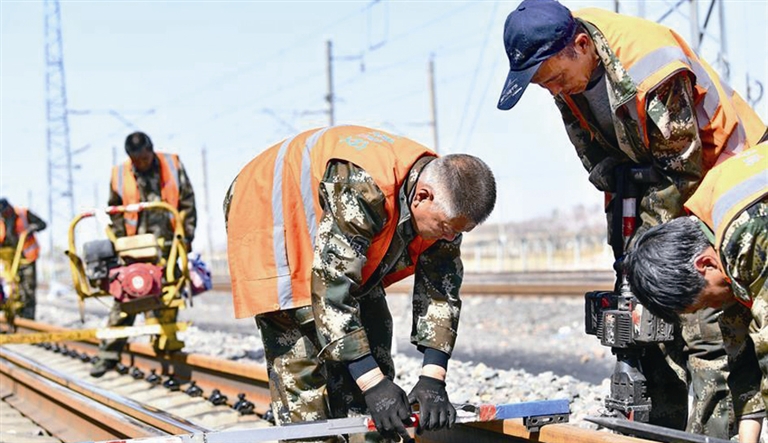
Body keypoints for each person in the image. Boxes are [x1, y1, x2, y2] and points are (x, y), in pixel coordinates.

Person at [495, 0, 767, 439]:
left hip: (719, 179)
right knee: (644, 313)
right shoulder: (564, 70)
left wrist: (644, 248)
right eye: (544, 86)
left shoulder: (648, 68)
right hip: (653, 189)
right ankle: (661, 425)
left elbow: (683, 169)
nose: (554, 92)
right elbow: (599, 161)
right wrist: (627, 256)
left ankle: (716, 431)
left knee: (705, 329)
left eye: (555, 80)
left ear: (581, 46)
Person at [224, 125, 497, 443]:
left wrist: (433, 376)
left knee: (373, 339)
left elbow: (442, 287)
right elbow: (332, 285)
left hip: (333, 240)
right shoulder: (365, 184)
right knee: (303, 370)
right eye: (447, 228)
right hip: (271, 218)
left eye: (459, 232)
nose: (451, 238)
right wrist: (372, 384)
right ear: (422, 197)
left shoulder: (446, 199)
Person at [626, 142, 768, 443]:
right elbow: (743, 359)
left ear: (704, 264)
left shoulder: (746, 238)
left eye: (708, 302)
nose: (718, 305)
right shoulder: (709, 221)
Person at [90, 131, 197, 378]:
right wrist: (119, 244)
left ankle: (167, 350)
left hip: (168, 244)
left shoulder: (172, 165)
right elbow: (115, 211)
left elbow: (188, 203)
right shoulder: (119, 175)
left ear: (151, 150)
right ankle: (107, 355)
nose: (142, 163)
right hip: (134, 246)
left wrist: (187, 237)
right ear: (130, 158)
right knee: (127, 297)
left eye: (145, 158)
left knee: (168, 295)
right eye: (137, 160)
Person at [0, 198, 46, 320]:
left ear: (9, 207)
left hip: (27, 257)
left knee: (28, 288)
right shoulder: (1, 220)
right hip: (8, 259)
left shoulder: (23, 213)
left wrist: (32, 228)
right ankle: (13, 312)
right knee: (12, 287)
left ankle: (28, 317)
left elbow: (42, 224)